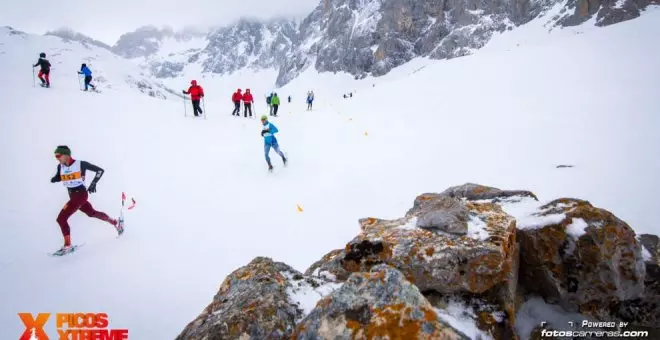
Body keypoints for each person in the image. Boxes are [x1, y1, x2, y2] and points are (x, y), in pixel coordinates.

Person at [50, 145, 122, 254]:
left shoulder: (80, 164)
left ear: (66, 155)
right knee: (91, 213)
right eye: (55, 156)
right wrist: (55, 179)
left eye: (58, 155)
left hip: (80, 195)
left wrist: (93, 184)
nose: (57, 158)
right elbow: (60, 176)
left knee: (61, 219)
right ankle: (115, 222)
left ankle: (67, 245)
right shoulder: (61, 167)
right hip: (73, 196)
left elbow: (100, 170)